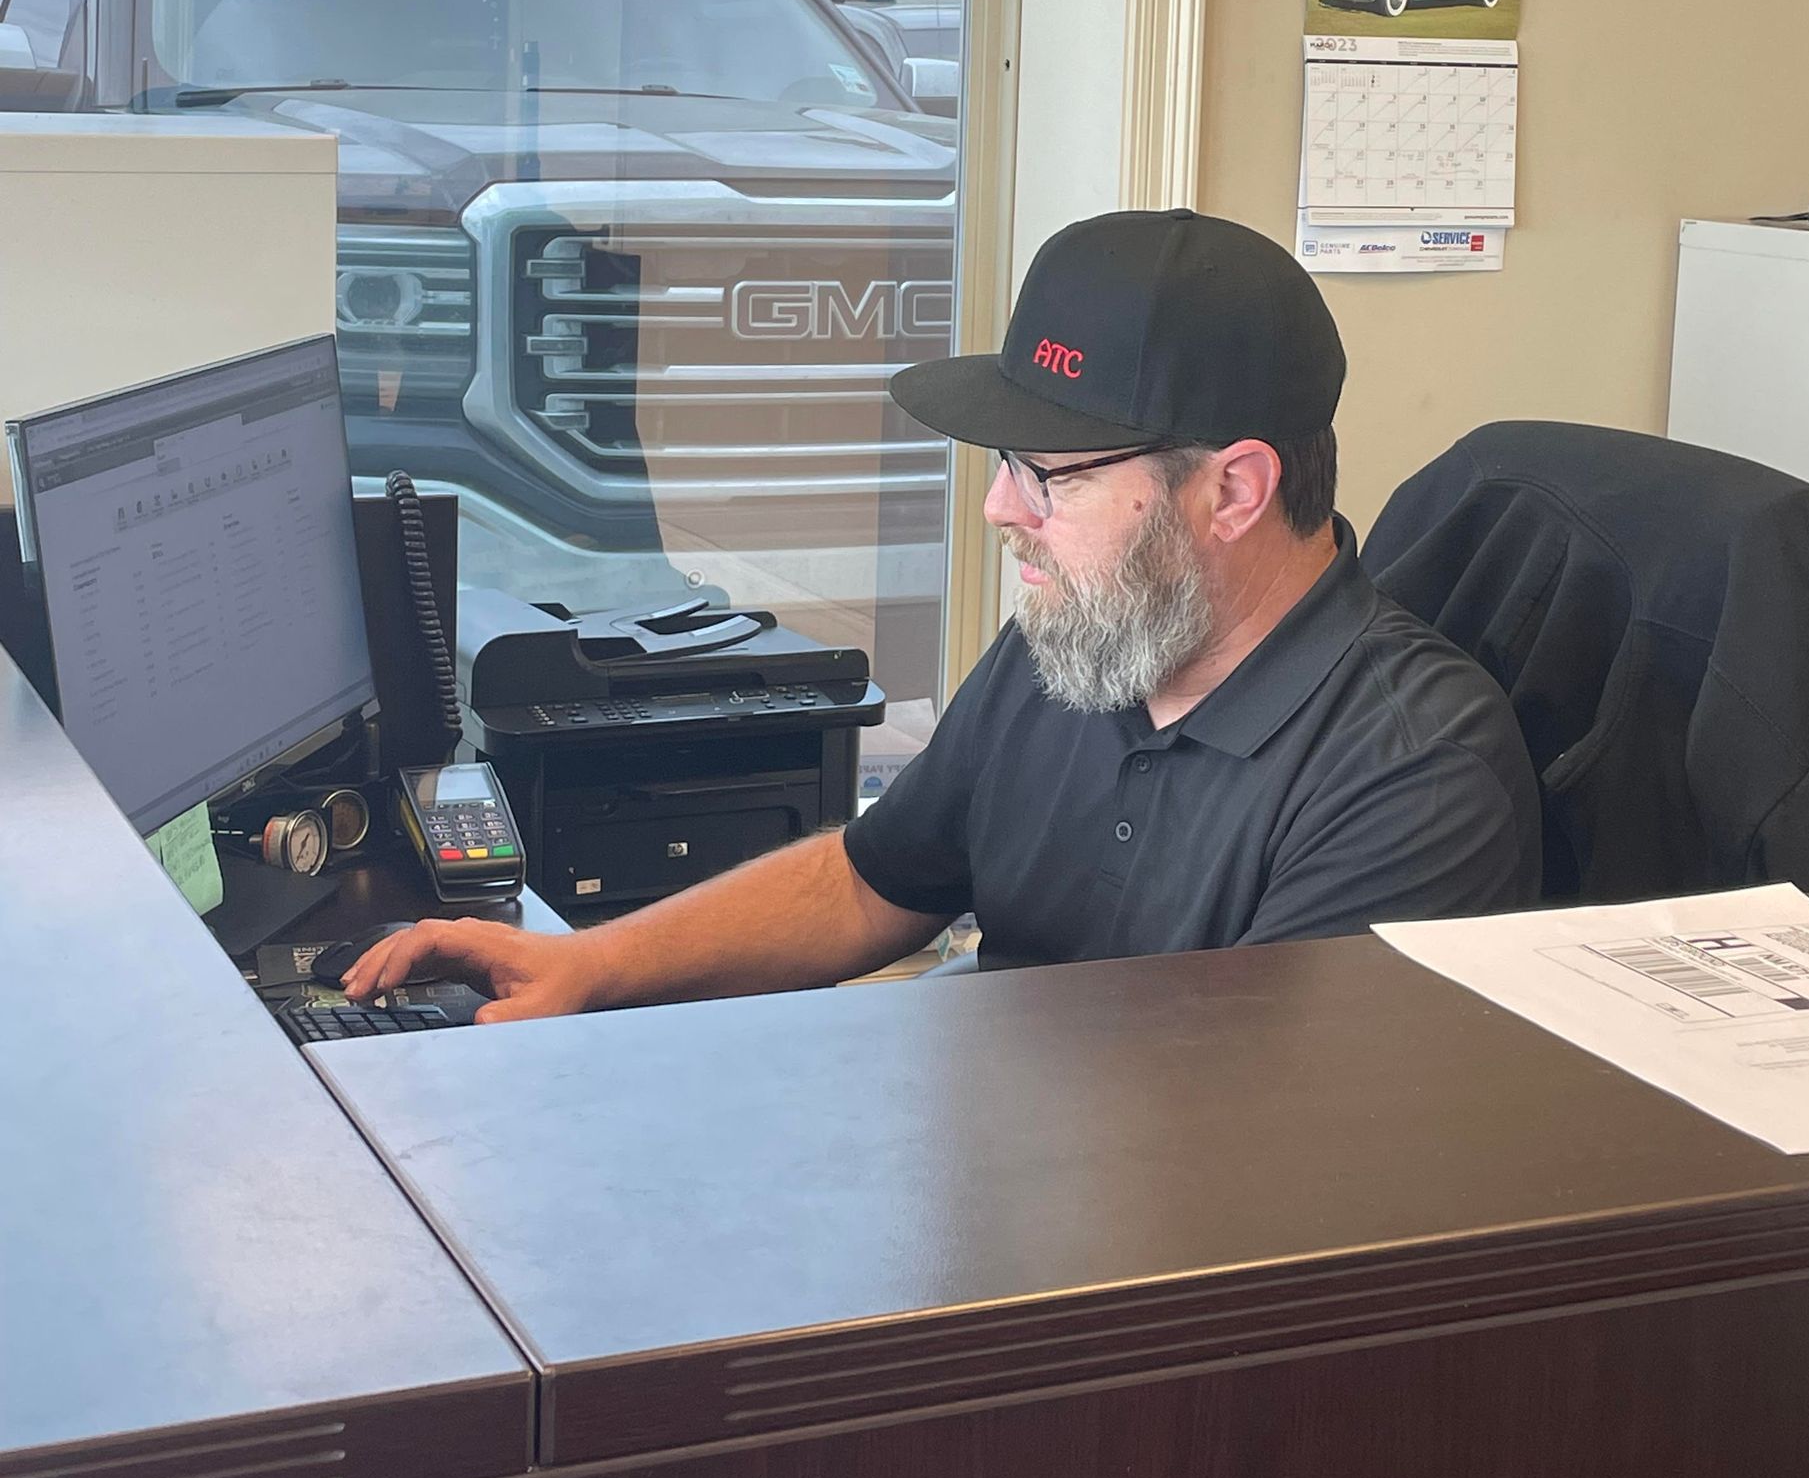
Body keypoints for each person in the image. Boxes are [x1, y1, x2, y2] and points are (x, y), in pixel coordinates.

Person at [342, 209, 1540, 1018]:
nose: (998, 508)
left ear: (1232, 489)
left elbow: (1240, 1157)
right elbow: (874, 881)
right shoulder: (1090, 639)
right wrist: (589, 965)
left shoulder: (1415, 773)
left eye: (1049, 474)